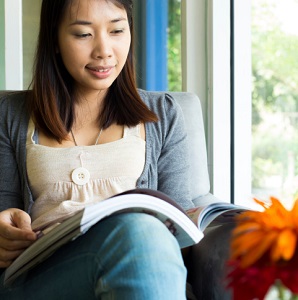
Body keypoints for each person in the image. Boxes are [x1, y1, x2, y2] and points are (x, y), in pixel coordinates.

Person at [0, 0, 194, 299]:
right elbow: (4, 211)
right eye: (82, 34)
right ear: (54, 38)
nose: (104, 50)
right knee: (141, 234)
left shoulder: (164, 114)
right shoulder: (10, 114)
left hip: (141, 260)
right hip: (40, 277)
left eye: (117, 30)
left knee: (142, 233)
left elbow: (180, 225)